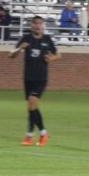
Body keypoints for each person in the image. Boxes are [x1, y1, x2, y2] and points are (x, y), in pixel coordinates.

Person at [9, 16, 58, 146]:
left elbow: (58, 54)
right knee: (31, 108)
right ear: (31, 25)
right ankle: (30, 136)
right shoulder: (26, 39)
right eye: (35, 23)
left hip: (41, 78)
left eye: (40, 24)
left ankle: (43, 133)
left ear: (43, 26)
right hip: (28, 78)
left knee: (32, 104)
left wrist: (51, 58)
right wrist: (20, 48)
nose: (37, 26)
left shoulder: (47, 39)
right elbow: (11, 54)